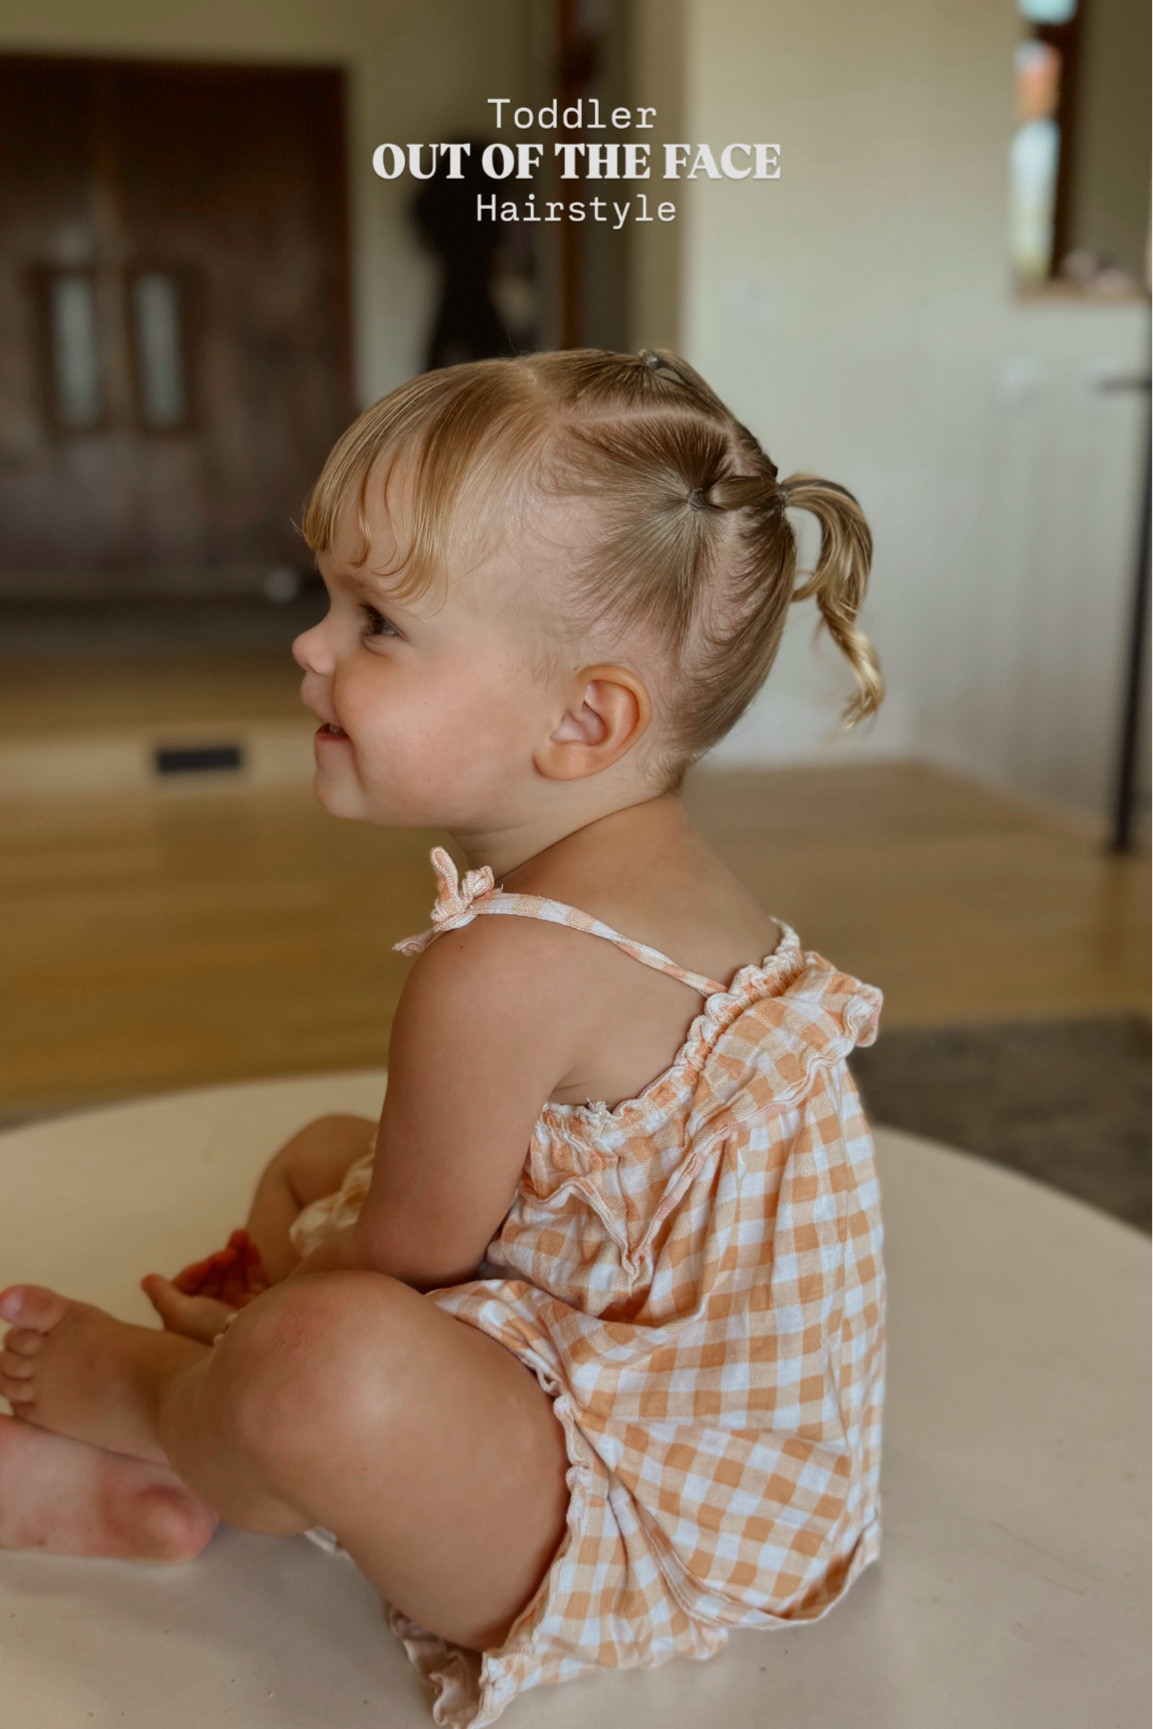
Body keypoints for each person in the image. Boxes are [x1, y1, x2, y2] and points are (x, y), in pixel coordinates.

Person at [0, 348, 886, 1728]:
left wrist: (267, 1326)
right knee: (321, 1155)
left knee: (321, 1358)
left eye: (377, 624)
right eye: (328, 601)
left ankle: (167, 1406)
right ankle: (206, 1465)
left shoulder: (503, 968)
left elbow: (409, 1263)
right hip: (707, 1426)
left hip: (647, 1519)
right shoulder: (668, 875)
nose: (313, 648)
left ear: (582, 718)